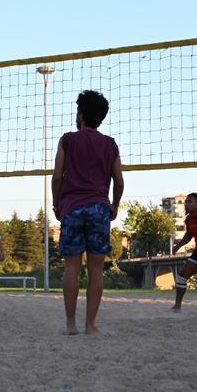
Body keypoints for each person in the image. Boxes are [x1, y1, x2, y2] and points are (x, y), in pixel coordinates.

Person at [52, 90, 124, 335]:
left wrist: (56, 203)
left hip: (72, 206)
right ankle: (90, 325)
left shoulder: (68, 139)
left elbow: (56, 176)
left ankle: (71, 324)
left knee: (71, 267)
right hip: (99, 207)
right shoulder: (110, 143)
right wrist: (114, 204)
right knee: (96, 269)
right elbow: (119, 181)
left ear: (80, 114)